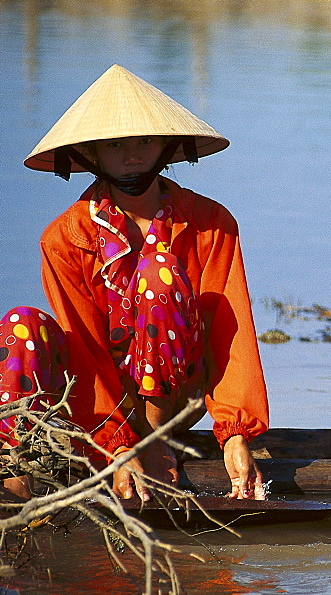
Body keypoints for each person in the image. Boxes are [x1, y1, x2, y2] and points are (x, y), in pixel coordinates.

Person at [21, 65, 268, 500]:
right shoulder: (64, 238)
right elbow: (85, 347)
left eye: (145, 142)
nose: (132, 155)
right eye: (115, 144)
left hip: (177, 395)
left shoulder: (211, 223)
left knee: (159, 273)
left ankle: (155, 438)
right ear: (92, 153)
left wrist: (234, 432)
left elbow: (231, 334)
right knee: (20, 325)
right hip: (95, 401)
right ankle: (17, 479)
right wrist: (114, 446)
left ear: (165, 146)